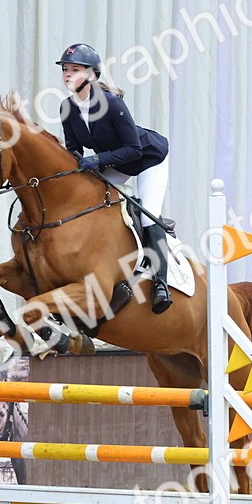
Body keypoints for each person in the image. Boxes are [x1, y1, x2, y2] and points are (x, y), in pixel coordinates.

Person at [56, 43, 173, 314]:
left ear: (92, 74)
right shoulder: (67, 108)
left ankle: (161, 284)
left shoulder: (111, 104)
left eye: (75, 70)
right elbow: (74, 147)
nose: (68, 75)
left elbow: (134, 149)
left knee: (148, 215)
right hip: (116, 160)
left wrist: (96, 160)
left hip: (147, 160)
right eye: (65, 70)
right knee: (87, 200)